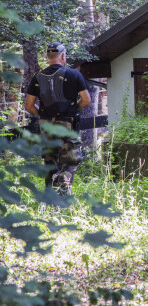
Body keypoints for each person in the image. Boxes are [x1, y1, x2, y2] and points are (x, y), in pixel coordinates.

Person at [25, 42, 91, 195]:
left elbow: (29, 106)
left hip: (46, 125)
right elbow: (86, 100)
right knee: (69, 161)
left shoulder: (37, 77)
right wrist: (73, 110)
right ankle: (62, 196)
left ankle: (50, 199)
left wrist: (43, 115)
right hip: (67, 123)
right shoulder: (74, 74)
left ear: (47, 57)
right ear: (63, 56)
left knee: (50, 161)